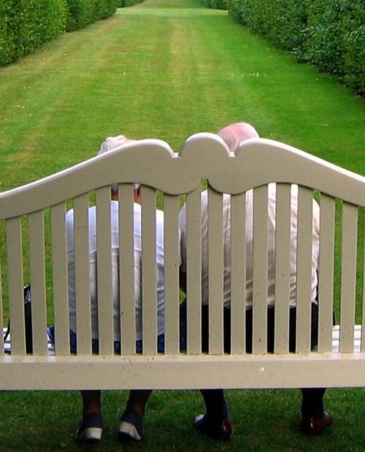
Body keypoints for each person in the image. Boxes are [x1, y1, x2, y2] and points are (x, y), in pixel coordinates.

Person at [182, 122, 332, 441]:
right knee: (320, 307)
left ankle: (217, 416)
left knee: (192, 310)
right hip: (294, 328)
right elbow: (317, 269)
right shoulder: (302, 199)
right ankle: (313, 413)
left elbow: (183, 273)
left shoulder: (198, 203)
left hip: (216, 330)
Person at [68, 135, 173, 444]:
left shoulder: (73, 220)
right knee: (162, 321)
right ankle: (134, 412)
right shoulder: (163, 222)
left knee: (82, 318)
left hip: (84, 341)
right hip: (147, 342)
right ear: (140, 186)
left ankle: (92, 414)